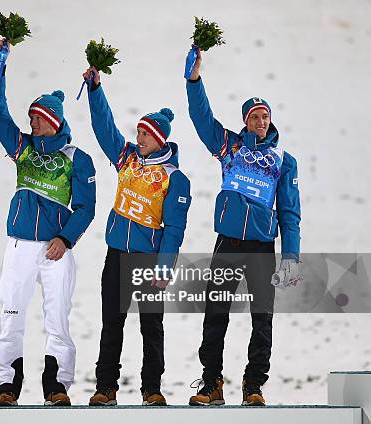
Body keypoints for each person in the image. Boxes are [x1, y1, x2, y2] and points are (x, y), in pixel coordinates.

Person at [185, 48, 301, 406]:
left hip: (262, 247)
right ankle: (211, 383)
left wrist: (291, 256)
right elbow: (202, 118)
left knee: (262, 318)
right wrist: (193, 81)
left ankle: (253, 386)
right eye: (254, 117)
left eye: (265, 116)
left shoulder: (284, 160)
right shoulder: (229, 147)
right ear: (245, 121)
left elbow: (290, 212)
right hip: (228, 243)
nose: (261, 122)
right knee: (215, 313)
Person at [0, 40, 96, 406]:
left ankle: (57, 386)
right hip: (19, 245)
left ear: (53, 122)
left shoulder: (77, 159)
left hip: (56, 249)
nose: (31, 123)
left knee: (57, 321)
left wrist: (65, 239)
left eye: (38, 119)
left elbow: (86, 207)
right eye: (31, 118)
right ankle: (6, 386)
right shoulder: (23, 148)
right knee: (11, 315)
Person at [82, 66, 192, 406]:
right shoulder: (127, 157)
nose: (139, 137)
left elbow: (175, 228)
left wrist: (165, 267)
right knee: (111, 324)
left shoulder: (176, 178)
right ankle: (105, 388)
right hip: (116, 256)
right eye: (140, 132)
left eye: (146, 134)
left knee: (151, 328)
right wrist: (95, 90)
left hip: (149, 261)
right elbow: (104, 129)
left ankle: (151, 389)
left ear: (159, 139)